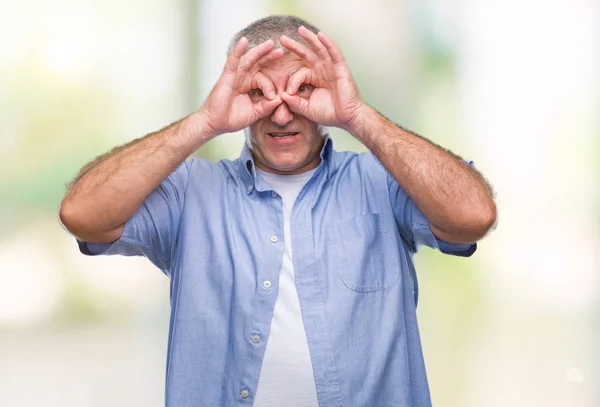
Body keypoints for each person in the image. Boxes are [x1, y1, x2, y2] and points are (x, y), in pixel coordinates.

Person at [59, 14, 496, 407]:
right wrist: (204, 122)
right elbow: (82, 214)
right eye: (259, 92)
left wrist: (358, 115)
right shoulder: (191, 192)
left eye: (303, 89)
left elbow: (473, 217)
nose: (282, 113)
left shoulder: (381, 181)